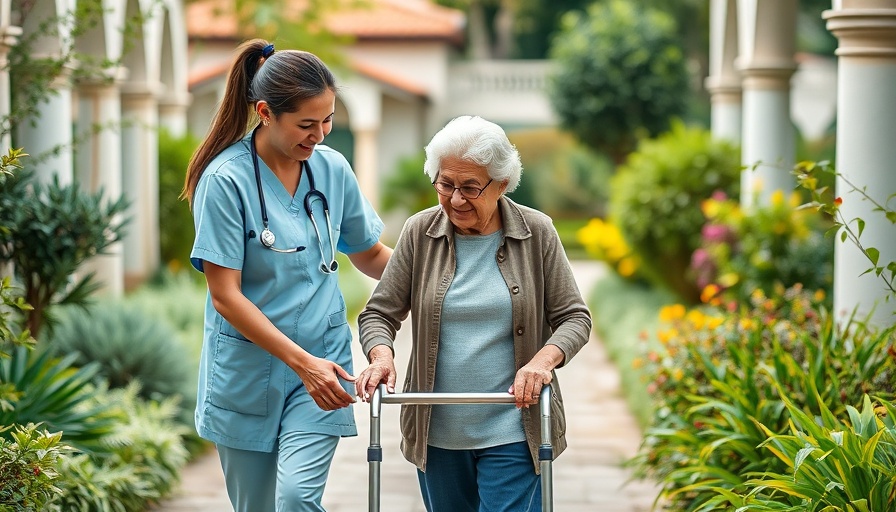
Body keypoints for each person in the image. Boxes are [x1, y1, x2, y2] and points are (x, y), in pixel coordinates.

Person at [181, 39, 391, 511]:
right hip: (246, 374)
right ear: (265, 112)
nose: (320, 135)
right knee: (256, 506)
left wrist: (442, 278)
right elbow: (225, 297)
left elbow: (370, 253)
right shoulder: (225, 180)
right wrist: (301, 362)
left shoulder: (333, 169)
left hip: (323, 365)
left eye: (328, 120)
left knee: (296, 498)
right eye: (306, 124)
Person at [355, 115, 592, 512]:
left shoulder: (537, 232)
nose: (456, 199)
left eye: (470, 187)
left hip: (514, 426)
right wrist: (381, 355)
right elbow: (379, 312)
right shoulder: (419, 233)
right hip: (438, 431)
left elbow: (574, 317)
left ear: (501, 184)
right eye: (446, 185)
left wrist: (542, 362)